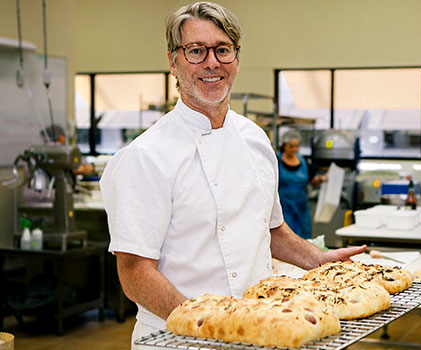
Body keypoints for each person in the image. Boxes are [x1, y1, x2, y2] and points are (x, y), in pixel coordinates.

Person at [98, 2, 366, 348]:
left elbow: (271, 231)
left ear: (236, 60)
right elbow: (135, 272)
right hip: (177, 336)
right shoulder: (145, 156)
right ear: (173, 62)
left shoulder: (254, 139)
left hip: (255, 329)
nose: (212, 62)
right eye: (196, 51)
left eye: (222, 50)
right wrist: (205, 322)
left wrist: (318, 260)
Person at [277, 130, 326, 239]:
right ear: (284, 146)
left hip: (301, 204)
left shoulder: (303, 161)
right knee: (286, 233)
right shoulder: (277, 161)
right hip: (284, 204)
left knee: (304, 232)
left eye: (296, 146)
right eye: (291, 146)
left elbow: (311, 180)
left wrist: (320, 180)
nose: (294, 149)